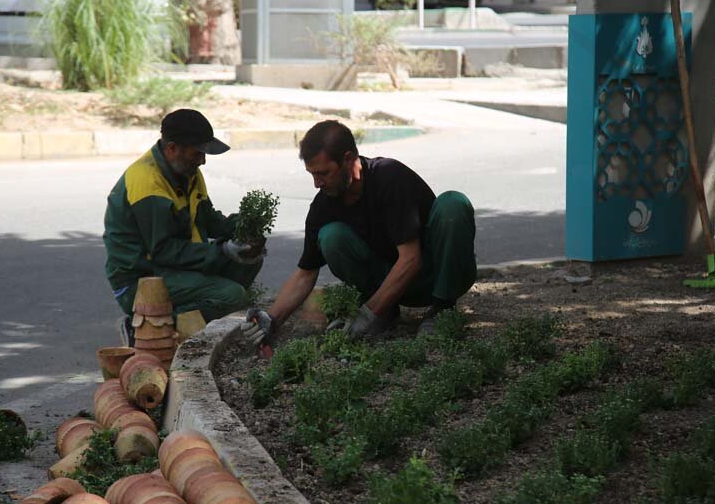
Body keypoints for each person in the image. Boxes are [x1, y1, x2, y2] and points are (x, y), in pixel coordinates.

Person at [241, 120, 476, 347]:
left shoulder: (390, 178)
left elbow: (411, 259)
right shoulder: (324, 205)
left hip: (433, 275)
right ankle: (385, 312)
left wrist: (366, 314)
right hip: (392, 287)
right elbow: (305, 274)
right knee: (331, 236)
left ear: (348, 159)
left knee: (452, 204)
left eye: (323, 173)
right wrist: (271, 319)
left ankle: (443, 309)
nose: (316, 183)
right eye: (312, 174)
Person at [103, 108, 264, 345]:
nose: (203, 160)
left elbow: (208, 219)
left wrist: (244, 227)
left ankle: (193, 325)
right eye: (197, 152)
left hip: (174, 268)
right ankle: (143, 326)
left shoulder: (188, 171)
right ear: (172, 149)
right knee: (231, 296)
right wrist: (220, 251)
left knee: (251, 260)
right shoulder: (147, 183)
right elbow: (163, 251)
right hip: (140, 281)